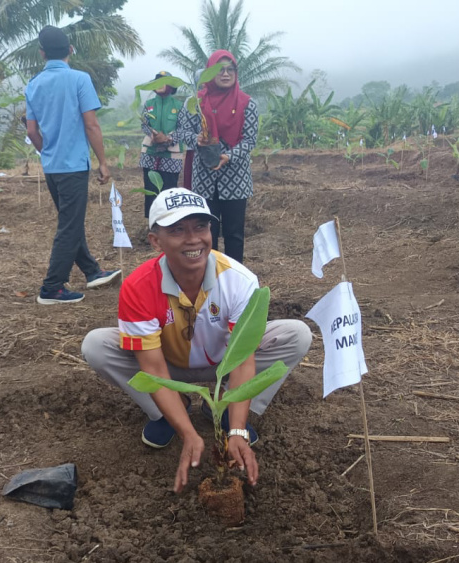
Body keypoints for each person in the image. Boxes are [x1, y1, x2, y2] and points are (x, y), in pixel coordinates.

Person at [81, 188, 311, 492]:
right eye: (177, 229)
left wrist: (238, 431)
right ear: (155, 241)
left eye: (200, 227)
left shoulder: (238, 280)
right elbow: (153, 371)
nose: (193, 239)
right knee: (96, 345)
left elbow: (242, 358)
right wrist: (188, 434)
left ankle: (230, 412)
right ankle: (168, 410)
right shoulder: (138, 286)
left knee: (297, 334)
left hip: (223, 364)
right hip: (169, 368)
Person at [25, 25, 120, 305]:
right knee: (69, 225)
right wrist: (103, 162)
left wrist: (48, 153)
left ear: (42, 53)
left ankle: (92, 272)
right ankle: (52, 287)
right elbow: (91, 124)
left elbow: (32, 132)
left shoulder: (33, 84)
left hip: (52, 167)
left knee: (71, 221)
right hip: (74, 167)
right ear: (70, 50)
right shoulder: (80, 79)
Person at [175, 50, 258, 264]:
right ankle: (209, 277)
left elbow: (249, 141)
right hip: (204, 177)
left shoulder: (248, 103)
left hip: (236, 179)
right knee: (207, 234)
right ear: (209, 73)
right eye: (219, 70)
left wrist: (229, 156)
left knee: (234, 234)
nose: (225, 74)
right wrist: (197, 139)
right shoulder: (193, 103)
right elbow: (182, 132)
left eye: (231, 70)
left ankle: (235, 280)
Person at [139, 71, 185, 217]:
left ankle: (169, 222)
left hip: (171, 155)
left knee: (169, 190)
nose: (159, 85)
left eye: (164, 81)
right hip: (150, 154)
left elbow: (183, 128)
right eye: (157, 82)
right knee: (150, 189)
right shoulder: (149, 104)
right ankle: (152, 224)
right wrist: (153, 135)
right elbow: (144, 124)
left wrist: (167, 138)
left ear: (171, 87)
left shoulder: (179, 106)